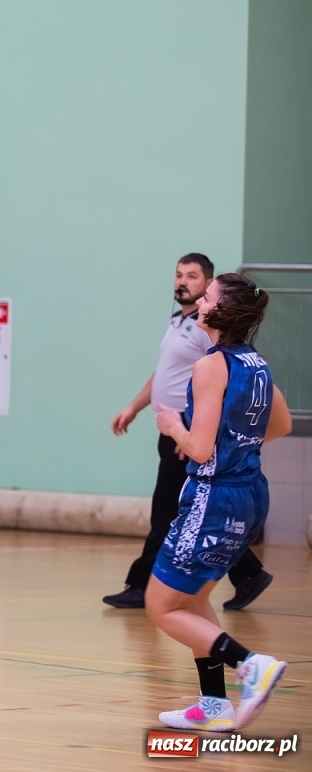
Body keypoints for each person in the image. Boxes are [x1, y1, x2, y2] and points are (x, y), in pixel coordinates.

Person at [146, 272, 291, 733]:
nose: (198, 297)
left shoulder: (211, 365)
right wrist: (237, 445)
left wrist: (173, 427)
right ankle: (213, 705)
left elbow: (202, 450)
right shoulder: (256, 363)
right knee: (194, 601)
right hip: (250, 493)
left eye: (205, 294)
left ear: (218, 311)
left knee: (161, 606)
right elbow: (281, 424)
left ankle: (252, 666)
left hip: (213, 496)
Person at [102, 254, 272, 611]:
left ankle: (144, 585)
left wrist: (189, 430)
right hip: (184, 435)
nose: (185, 285)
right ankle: (245, 577)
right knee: (185, 517)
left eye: (194, 279)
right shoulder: (179, 322)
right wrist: (134, 407)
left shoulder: (212, 339)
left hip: (193, 438)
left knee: (169, 514)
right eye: (178, 275)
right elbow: (163, 373)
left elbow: (235, 391)